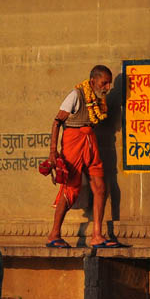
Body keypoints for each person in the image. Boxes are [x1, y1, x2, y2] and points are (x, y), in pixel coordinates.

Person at [46, 65, 121, 248]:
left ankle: (97, 235)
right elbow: (57, 122)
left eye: (109, 84)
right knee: (70, 188)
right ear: (94, 80)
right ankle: (54, 234)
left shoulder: (99, 100)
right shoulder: (76, 95)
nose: (107, 88)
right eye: (104, 83)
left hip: (90, 141)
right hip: (73, 141)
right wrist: (53, 151)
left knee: (101, 187)